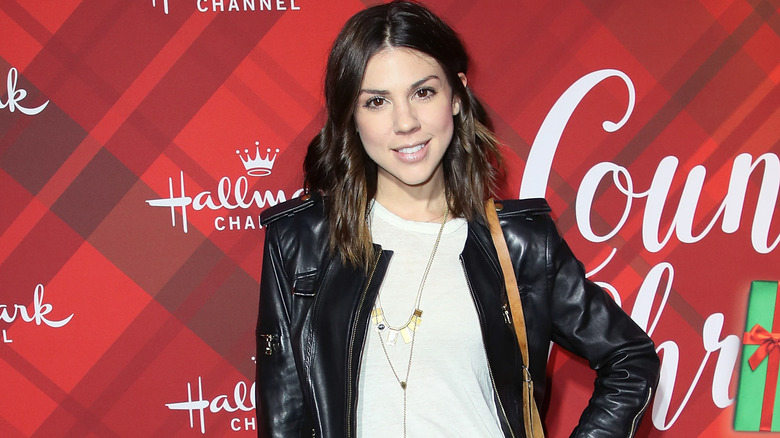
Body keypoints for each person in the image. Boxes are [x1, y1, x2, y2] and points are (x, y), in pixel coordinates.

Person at [255, 1, 660, 437]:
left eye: (423, 93)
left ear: (456, 96)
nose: (405, 122)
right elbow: (284, 417)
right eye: (376, 101)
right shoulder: (301, 242)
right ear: (351, 116)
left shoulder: (520, 245)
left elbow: (630, 357)